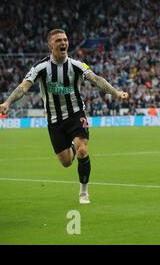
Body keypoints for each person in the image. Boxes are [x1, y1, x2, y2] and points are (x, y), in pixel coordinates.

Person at [0, 29, 128, 204]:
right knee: (66, 162)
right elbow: (24, 86)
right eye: (59, 40)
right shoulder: (40, 67)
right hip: (54, 120)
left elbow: (97, 79)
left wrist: (116, 93)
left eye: (65, 39)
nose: (63, 43)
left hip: (76, 114)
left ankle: (84, 192)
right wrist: (7, 103)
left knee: (83, 149)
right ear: (50, 45)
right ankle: (73, 148)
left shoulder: (76, 65)